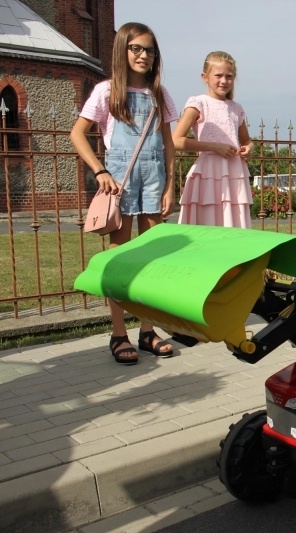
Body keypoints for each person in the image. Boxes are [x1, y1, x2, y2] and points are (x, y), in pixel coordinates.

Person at [70, 22, 177, 365]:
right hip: (120, 179)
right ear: (123, 51)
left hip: (154, 179)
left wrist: (172, 183)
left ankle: (147, 331)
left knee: (153, 256)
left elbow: (169, 143)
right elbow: (77, 134)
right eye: (137, 49)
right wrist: (100, 171)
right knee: (119, 258)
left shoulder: (160, 95)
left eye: (150, 50)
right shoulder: (106, 91)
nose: (144, 55)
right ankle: (118, 334)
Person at [172, 51, 253, 228]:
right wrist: (214, 147)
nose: (224, 81)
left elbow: (246, 140)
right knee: (206, 222)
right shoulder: (198, 103)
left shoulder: (236, 108)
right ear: (205, 77)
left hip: (234, 173)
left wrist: (248, 148)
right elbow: (176, 140)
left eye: (229, 76)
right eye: (218, 75)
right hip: (207, 172)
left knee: (234, 225)